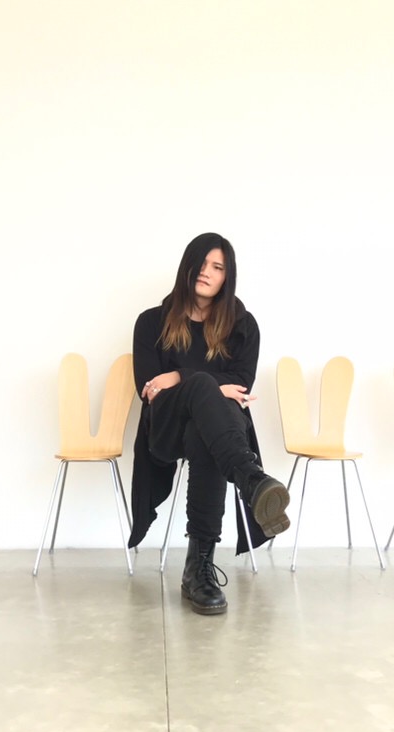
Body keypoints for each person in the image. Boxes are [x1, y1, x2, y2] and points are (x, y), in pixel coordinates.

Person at [128, 232, 290, 615]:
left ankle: (198, 570)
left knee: (205, 435)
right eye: (201, 264)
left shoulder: (242, 326)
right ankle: (251, 479)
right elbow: (149, 389)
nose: (206, 272)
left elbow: (242, 385)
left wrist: (176, 376)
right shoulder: (150, 322)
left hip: (216, 436)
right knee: (204, 387)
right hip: (164, 431)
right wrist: (195, 381)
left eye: (217, 267)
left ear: (226, 277)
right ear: (187, 266)